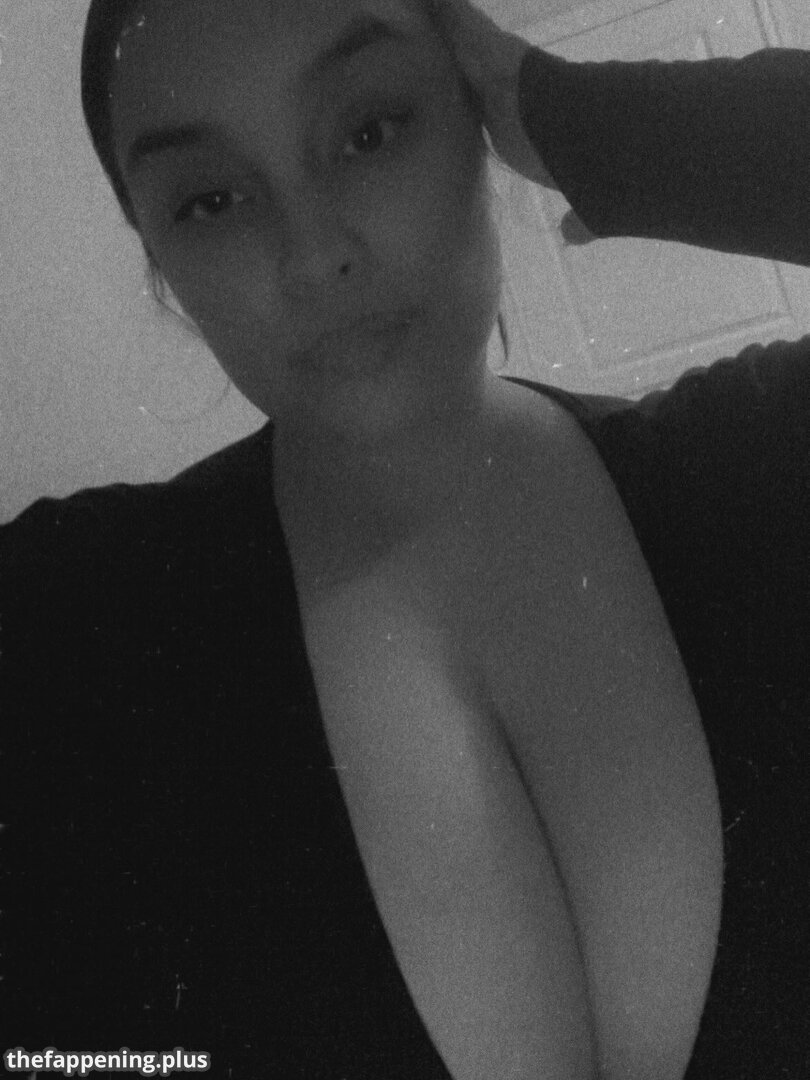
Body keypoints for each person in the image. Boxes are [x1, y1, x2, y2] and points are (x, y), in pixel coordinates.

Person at [1, 0, 807, 1076]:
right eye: (212, 200)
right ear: (162, 264)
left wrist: (593, 121)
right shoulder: (66, 628)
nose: (316, 254)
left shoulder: (766, 464)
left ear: (476, 117)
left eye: (370, 132)